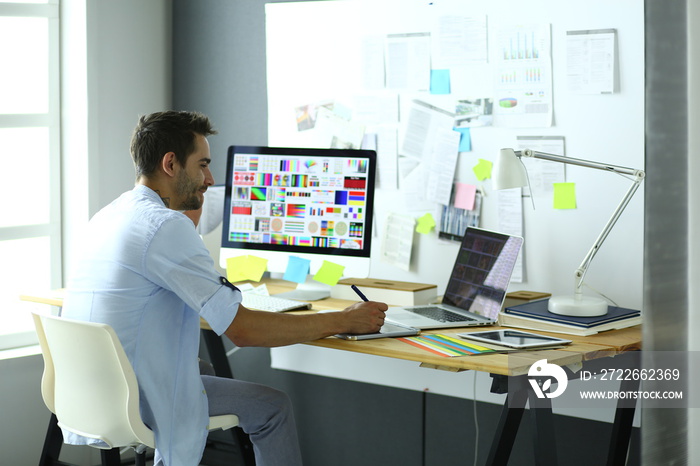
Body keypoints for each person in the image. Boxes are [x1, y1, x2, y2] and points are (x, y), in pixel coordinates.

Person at [61, 110, 388, 466]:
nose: (210, 178)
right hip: (134, 397)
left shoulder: (108, 215)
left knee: (205, 369)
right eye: (202, 165)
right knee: (272, 407)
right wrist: (342, 321)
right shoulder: (164, 226)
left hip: (89, 389)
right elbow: (244, 330)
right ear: (171, 164)